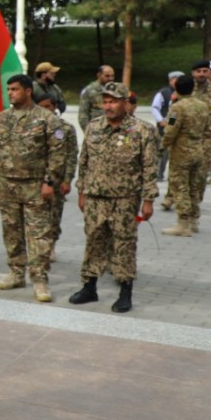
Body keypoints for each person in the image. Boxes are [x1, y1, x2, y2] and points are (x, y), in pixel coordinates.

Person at [69, 83, 159, 313]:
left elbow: (149, 167)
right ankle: (89, 286)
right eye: (105, 101)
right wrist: (81, 191)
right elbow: (84, 162)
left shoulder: (142, 130)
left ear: (125, 102)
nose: (108, 106)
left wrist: (149, 199)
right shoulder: (94, 127)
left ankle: (125, 291)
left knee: (124, 244)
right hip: (96, 197)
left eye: (113, 101)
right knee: (93, 241)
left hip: (125, 199)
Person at [0, 74, 67, 302]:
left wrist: (50, 182)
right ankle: (16, 273)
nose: (11, 93)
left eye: (15, 89)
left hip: (35, 187)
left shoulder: (47, 119)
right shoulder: (1, 119)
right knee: (12, 232)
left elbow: (58, 154)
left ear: (28, 91)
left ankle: (39, 280)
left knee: (38, 235)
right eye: (9, 89)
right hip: (8, 187)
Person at [161, 74, 211, 237]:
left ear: (176, 88)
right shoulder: (203, 106)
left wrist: (162, 145)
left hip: (181, 152)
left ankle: (182, 223)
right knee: (193, 187)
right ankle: (193, 220)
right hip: (198, 150)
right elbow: (208, 128)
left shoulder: (177, 108)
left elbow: (170, 129)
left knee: (180, 186)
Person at [37, 94, 77, 261]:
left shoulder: (65, 128)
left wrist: (67, 179)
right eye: (41, 107)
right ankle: (36, 246)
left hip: (56, 179)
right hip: (35, 178)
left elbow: (71, 155)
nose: (45, 110)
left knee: (54, 214)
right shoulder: (32, 126)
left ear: (54, 107)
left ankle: (51, 245)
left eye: (48, 106)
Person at [150, 70, 181, 181]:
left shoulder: (185, 93)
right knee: (162, 151)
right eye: (175, 79)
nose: (177, 82)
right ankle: (158, 174)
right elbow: (155, 108)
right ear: (170, 80)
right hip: (165, 127)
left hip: (179, 128)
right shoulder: (163, 93)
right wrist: (161, 121)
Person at [76, 65, 116, 130]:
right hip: (96, 130)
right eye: (107, 76)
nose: (111, 78)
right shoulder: (89, 91)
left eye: (112, 76)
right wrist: (89, 132)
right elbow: (83, 115)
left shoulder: (116, 90)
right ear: (99, 75)